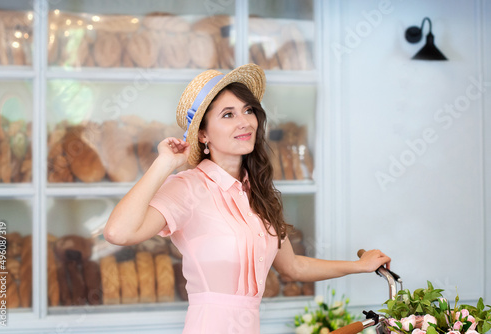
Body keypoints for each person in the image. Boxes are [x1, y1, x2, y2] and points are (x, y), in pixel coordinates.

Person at [103, 63, 391, 334]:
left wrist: (357, 266)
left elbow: (293, 267)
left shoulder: (259, 192)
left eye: (248, 110)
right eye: (228, 115)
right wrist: (163, 164)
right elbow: (118, 232)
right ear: (203, 134)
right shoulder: (188, 187)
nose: (245, 122)